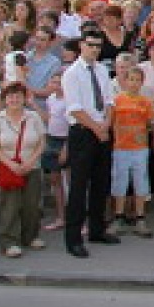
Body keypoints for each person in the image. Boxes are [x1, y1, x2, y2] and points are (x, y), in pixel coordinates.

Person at [61, 33, 118, 258]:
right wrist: (97, 128)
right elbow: (74, 108)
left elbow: (109, 101)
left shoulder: (102, 70)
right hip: (83, 132)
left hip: (102, 130)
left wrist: (106, 125)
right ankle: (73, 238)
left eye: (98, 46)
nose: (95, 50)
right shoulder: (72, 74)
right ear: (81, 46)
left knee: (101, 183)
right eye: (91, 45)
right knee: (78, 186)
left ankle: (97, 229)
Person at [0, 82, 46, 257]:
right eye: (10, 96)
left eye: (18, 96)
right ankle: (9, 241)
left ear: (24, 99)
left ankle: (30, 236)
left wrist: (31, 161)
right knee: (9, 205)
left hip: (31, 166)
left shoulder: (33, 117)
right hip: (7, 167)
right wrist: (9, 163)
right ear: (5, 99)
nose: (14, 99)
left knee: (31, 204)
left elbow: (41, 141)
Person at [109, 68, 154, 238]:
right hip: (121, 147)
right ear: (125, 81)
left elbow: (151, 122)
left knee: (140, 182)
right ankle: (118, 216)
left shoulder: (145, 102)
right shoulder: (117, 101)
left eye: (137, 80)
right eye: (131, 79)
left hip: (140, 147)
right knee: (120, 182)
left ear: (142, 82)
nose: (134, 83)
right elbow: (110, 121)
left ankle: (140, 218)